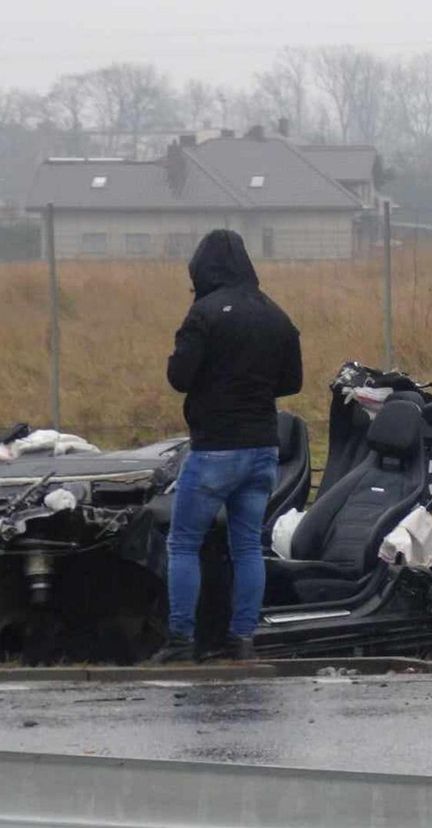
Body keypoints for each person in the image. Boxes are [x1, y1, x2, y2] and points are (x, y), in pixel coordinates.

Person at [151, 229, 302, 662]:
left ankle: (181, 639)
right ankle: (243, 640)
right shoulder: (276, 314)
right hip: (262, 450)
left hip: (215, 449)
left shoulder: (204, 313)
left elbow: (179, 377)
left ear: (202, 269)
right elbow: (292, 382)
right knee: (248, 547)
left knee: (183, 543)